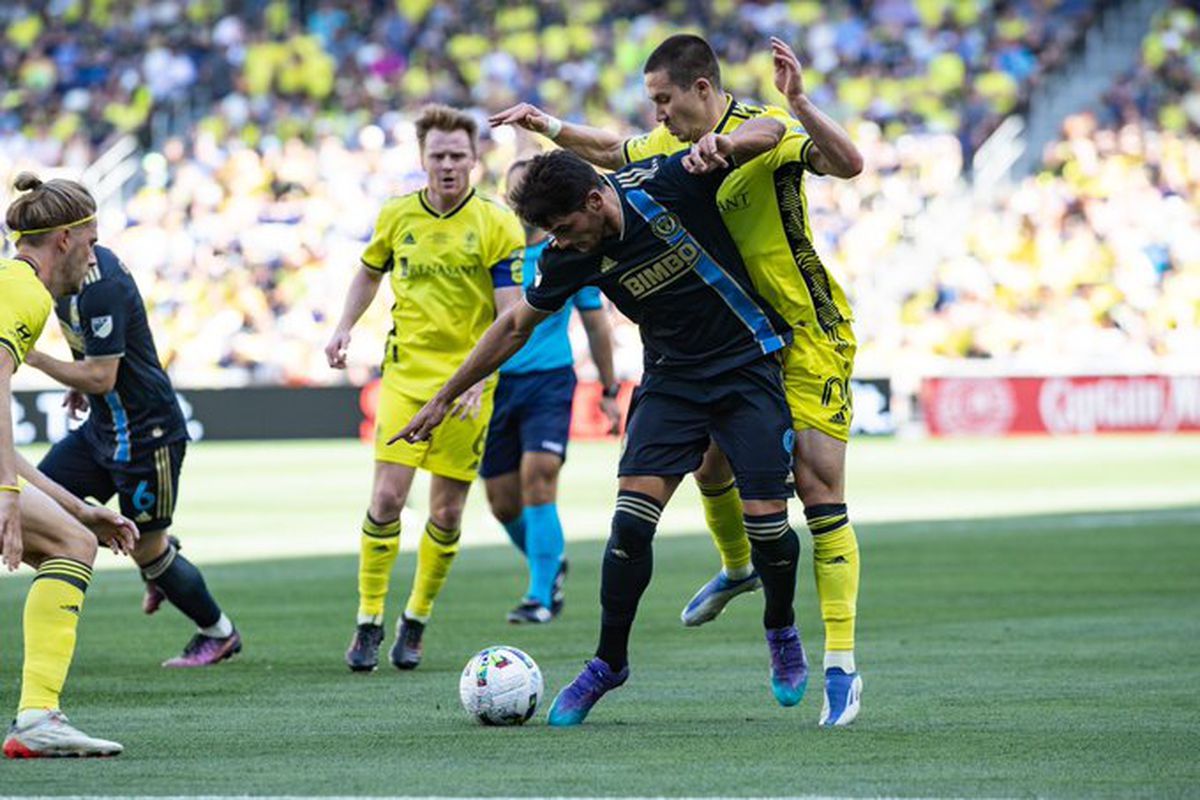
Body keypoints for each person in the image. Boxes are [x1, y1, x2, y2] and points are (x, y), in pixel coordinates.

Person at [490, 34, 866, 726]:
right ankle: (737, 565)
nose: (656, 116)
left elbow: (827, 153)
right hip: (728, 339)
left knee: (814, 486)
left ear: (700, 90)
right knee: (708, 458)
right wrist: (545, 125)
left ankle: (839, 663)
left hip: (803, 328)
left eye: (664, 100)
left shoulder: (755, 131)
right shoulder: (667, 150)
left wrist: (794, 106)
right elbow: (607, 156)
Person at [396, 120, 808, 727]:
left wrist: (723, 144)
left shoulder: (666, 184)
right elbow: (514, 327)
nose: (561, 242)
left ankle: (781, 629)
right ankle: (608, 663)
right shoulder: (569, 255)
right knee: (629, 528)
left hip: (747, 363)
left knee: (769, 526)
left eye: (564, 229)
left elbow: (773, 130)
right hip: (673, 381)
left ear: (595, 200)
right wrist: (443, 396)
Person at [326, 104, 525, 672]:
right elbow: (368, 271)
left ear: (475, 159)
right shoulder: (396, 216)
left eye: (457, 156)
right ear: (422, 158)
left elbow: (509, 315)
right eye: (437, 155)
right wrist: (343, 326)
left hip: (466, 385)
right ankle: (368, 620)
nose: (446, 165)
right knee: (386, 499)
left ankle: (416, 619)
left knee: (446, 513)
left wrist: (480, 377)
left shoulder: (497, 224)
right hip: (406, 377)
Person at [25, 243, 240, 667]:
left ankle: (219, 633)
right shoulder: (58, 275)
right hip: (102, 429)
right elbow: (93, 350)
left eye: (93, 238)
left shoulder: (99, 282)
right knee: (39, 505)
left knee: (147, 550)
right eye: (88, 236)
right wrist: (77, 376)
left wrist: (31, 356)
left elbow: (103, 377)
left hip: (147, 438)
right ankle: (161, 558)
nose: (92, 250)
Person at [1, 172, 139, 757]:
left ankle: (38, 717)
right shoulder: (25, 290)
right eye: (91, 238)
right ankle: (37, 716)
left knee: (71, 537)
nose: (94, 253)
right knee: (69, 545)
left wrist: (77, 505)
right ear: (63, 239)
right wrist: (7, 494)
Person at [481, 160, 622, 625]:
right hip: (495, 385)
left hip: (549, 379)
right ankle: (550, 559)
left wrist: (607, 386)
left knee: (539, 475)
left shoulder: (566, 254)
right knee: (503, 501)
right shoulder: (488, 253)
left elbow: (597, 323)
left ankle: (540, 594)